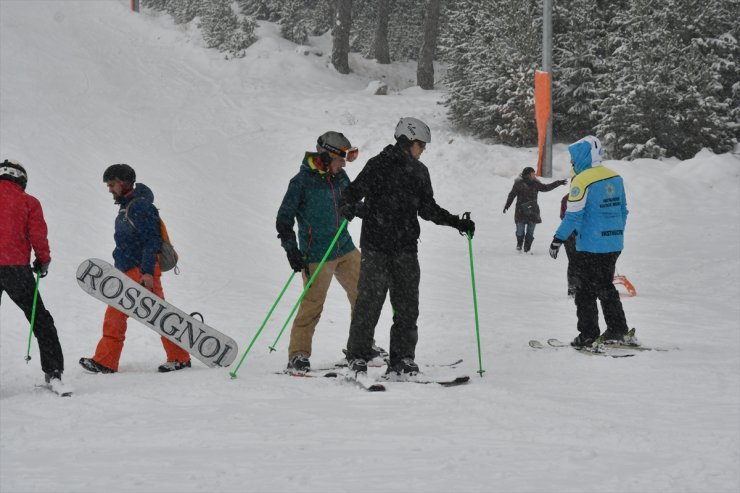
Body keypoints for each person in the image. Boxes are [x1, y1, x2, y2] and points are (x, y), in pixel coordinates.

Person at [340, 117, 475, 377]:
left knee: (407, 307)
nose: (423, 149)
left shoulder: (419, 172)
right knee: (370, 303)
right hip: (376, 248)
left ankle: (402, 359)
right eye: (421, 145)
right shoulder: (378, 165)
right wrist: (348, 207)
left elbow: (427, 209)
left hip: (405, 249)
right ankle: (357, 354)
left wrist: (456, 222)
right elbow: (351, 193)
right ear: (407, 141)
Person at [276, 131, 386, 373]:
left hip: (344, 247)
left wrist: (370, 211)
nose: (343, 165)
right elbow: (283, 220)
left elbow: (352, 204)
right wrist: (291, 250)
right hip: (317, 254)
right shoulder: (301, 182)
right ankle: (298, 355)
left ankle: (362, 346)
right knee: (313, 305)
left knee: (364, 296)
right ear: (326, 156)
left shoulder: (340, 177)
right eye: (340, 159)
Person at [79, 164, 191, 373]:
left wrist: (147, 272)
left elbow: (152, 241)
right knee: (119, 316)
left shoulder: (140, 206)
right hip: (128, 270)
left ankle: (179, 357)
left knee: (159, 316)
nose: (109, 189)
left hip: (141, 270)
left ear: (123, 183)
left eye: (112, 185)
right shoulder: (127, 206)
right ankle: (106, 361)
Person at [549, 136, 632, 347]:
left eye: (573, 158)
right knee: (606, 287)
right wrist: (614, 232)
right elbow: (623, 211)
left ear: (583, 157)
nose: (571, 163)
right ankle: (617, 330)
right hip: (614, 244)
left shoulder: (583, 180)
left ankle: (588, 335)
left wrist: (558, 239)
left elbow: (573, 215)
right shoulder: (615, 177)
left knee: (584, 292)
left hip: (591, 246)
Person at [0, 159, 69, 392]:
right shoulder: (28, 202)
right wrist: (43, 260)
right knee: (40, 319)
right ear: (21, 179)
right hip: (15, 269)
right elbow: (37, 235)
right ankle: (54, 372)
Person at [503, 166, 567, 253]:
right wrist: (507, 206)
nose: (534, 175)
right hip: (520, 212)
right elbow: (511, 195)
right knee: (520, 231)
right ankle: (519, 244)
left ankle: (527, 248)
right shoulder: (519, 184)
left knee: (530, 232)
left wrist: (558, 183)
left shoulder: (536, 184)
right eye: (533, 173)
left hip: (533, 212)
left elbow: (546, 187)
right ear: (528, 175)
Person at [560, 186, 578, 297]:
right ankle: (573, 288)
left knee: (575, 262)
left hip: (572, 235)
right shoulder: (567, 198)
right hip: (572, 236)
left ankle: (575, 287)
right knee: (574, 262)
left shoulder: (566, 198)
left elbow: (562, 216)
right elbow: (563, 216)